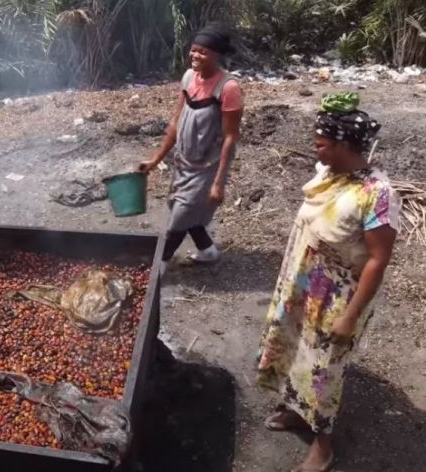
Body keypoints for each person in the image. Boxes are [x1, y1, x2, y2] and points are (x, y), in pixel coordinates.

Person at [257, 93, 398, 472]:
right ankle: (294, 409)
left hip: (338, 295)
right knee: (290, 344)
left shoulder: (378, 195)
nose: (315, 150)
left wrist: (350, 317)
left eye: (321, 144)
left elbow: (377, 260)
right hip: (304, 279)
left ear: (342, 145)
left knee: (323, 367)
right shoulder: (328, 175)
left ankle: (323, 447)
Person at [139, 24, 243, 276]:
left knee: (181, 216)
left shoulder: (228, 89)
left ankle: (159, 265)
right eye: (194, 50)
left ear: (217, 55)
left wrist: (219, 182)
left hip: (209, 166)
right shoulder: (188, 78)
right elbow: (177, 121)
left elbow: (230, 137)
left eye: (204, 52)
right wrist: (156, 159)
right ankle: (207, 251)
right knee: (179, 207)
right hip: (184, 161)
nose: (196, 56)